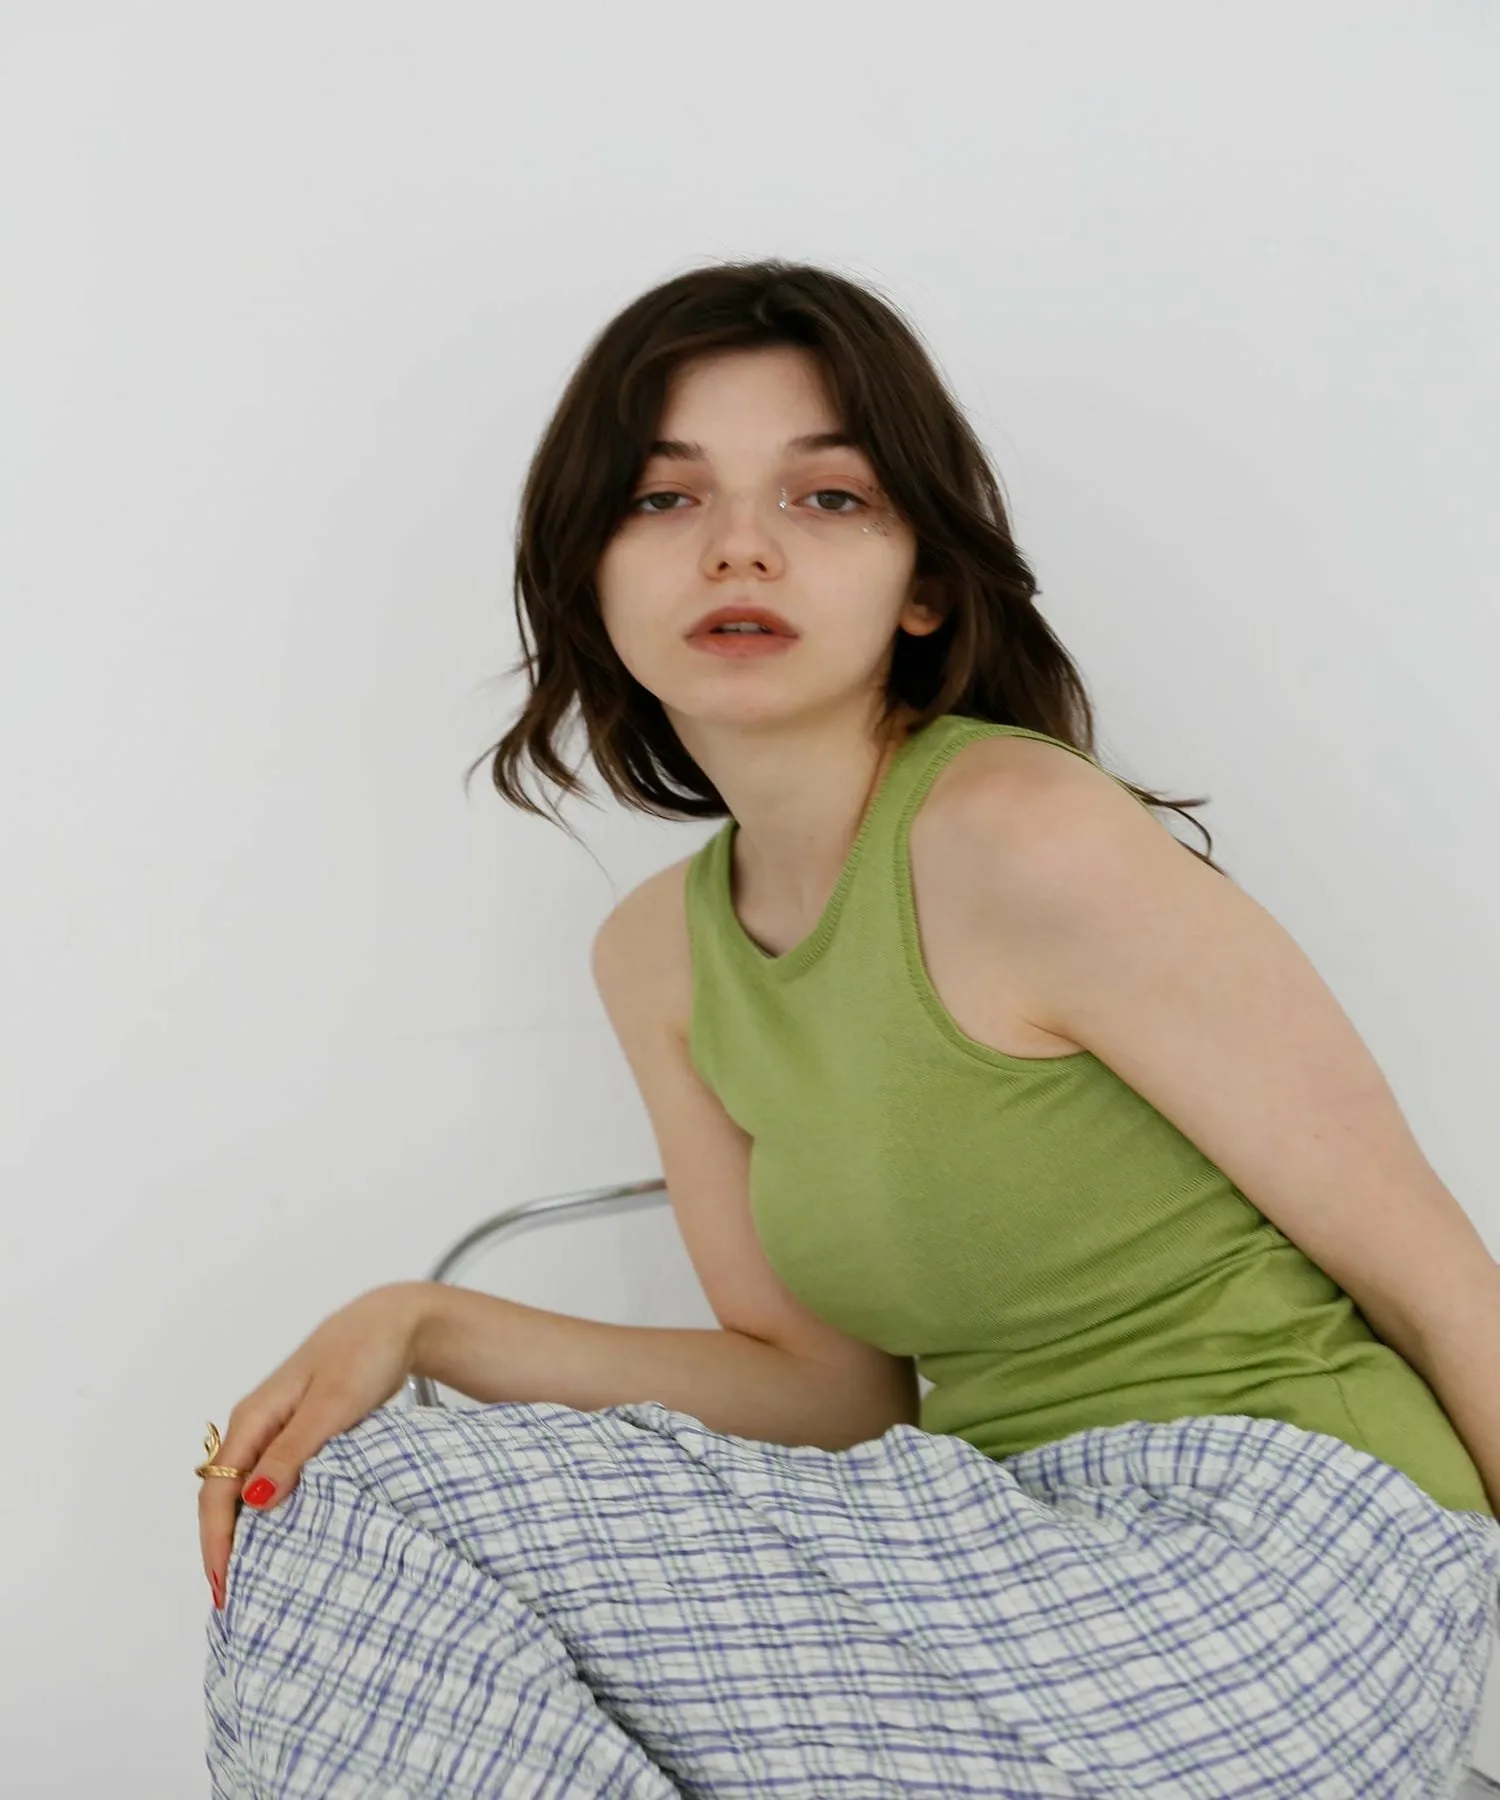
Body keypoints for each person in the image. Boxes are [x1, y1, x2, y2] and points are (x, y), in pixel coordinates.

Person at [199, 259, 1500, 1797]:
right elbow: (826, 1391)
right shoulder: (656, 960)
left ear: (923, 586)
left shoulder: (1021, 837)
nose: (739, 545)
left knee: (392, 1504)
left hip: (1293, 1549)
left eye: (827, 499)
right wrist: (422, 1322)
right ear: (588, 574)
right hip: (996, 1559)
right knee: (342, 1507)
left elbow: (1435, 1277)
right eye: (664, 498)